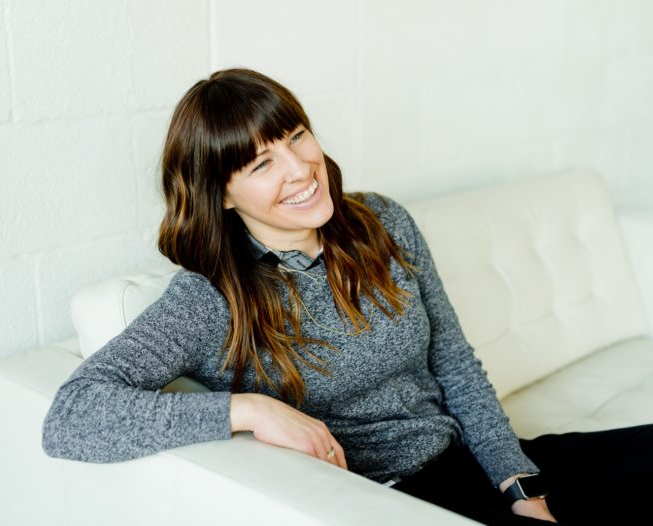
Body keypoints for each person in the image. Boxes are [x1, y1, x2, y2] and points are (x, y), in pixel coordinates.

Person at [42, 68, 652, 525]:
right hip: (395, 496)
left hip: (473, 457)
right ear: (221, 195)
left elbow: (455, 365)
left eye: (297, 136)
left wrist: (519, 484)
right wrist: (248, 411)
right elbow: (71, 418)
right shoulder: (211, 296)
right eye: (261, 164)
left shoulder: (379, 221)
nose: (301, 168)